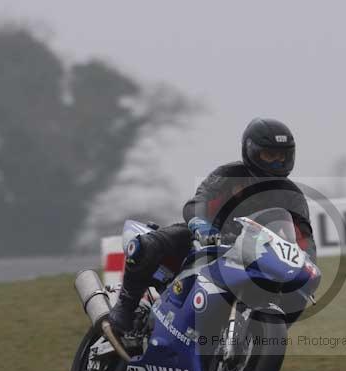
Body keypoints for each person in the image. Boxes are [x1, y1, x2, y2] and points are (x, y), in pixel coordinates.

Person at [108, 117, 317, 332]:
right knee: (148, 245)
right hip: (208, 240)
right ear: (251, 151)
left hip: (255, 256)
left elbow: (303, 237)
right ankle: (125, 307)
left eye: (281, 157)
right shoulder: (228, 176)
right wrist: (201, 224)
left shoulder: (292, 196)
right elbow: (198, 202)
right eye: (269, 155)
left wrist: (307, 261)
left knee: (299, 287)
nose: (276, 163)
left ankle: (251, 341)